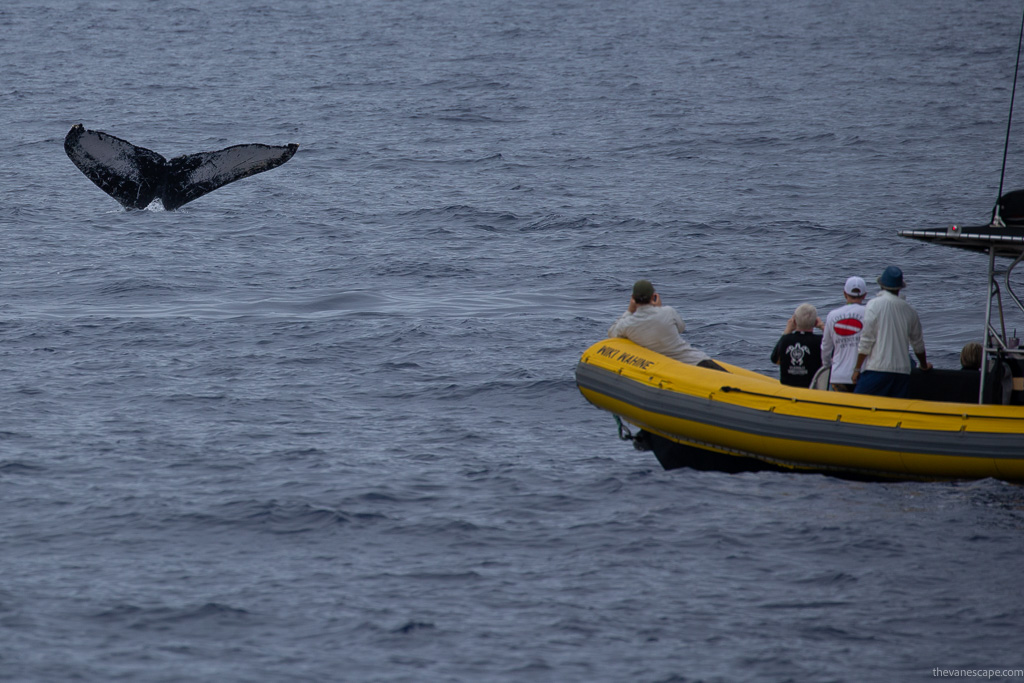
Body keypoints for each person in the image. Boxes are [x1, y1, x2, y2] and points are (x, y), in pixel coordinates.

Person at [608, 280, 725, 370]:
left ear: (633, 299)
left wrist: (629, 310)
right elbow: (681, 328)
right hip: (695, 361)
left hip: (669, 367)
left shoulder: (628, 323)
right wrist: (659, 309)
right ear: (652, 296)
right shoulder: (668, 311)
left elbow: (612, 333)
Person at [853, 266, 931, 397]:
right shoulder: (910, 311)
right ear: (899, 288)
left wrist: (857, 369)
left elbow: (866, 340)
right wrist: (923, 365)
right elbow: (918, 345)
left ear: (881, 285)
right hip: (902, 374)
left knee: (857, 404)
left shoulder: (873, 305)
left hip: (877, 370)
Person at [820, 276, 868, 391]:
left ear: (844, 294)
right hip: (862, 376)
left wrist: (827, 366)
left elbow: (825, 347)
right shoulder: (870, 313)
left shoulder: (832, 315)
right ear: (865, 295)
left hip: (838, 376)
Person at [770, 303, 824, 387]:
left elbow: (774, 359)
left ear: (794, 321)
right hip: (811, 388)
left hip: (788, 387)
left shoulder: (785, 340)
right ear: (816, 322)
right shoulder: (820, 341)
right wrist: (822, 327)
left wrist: (787, 330)